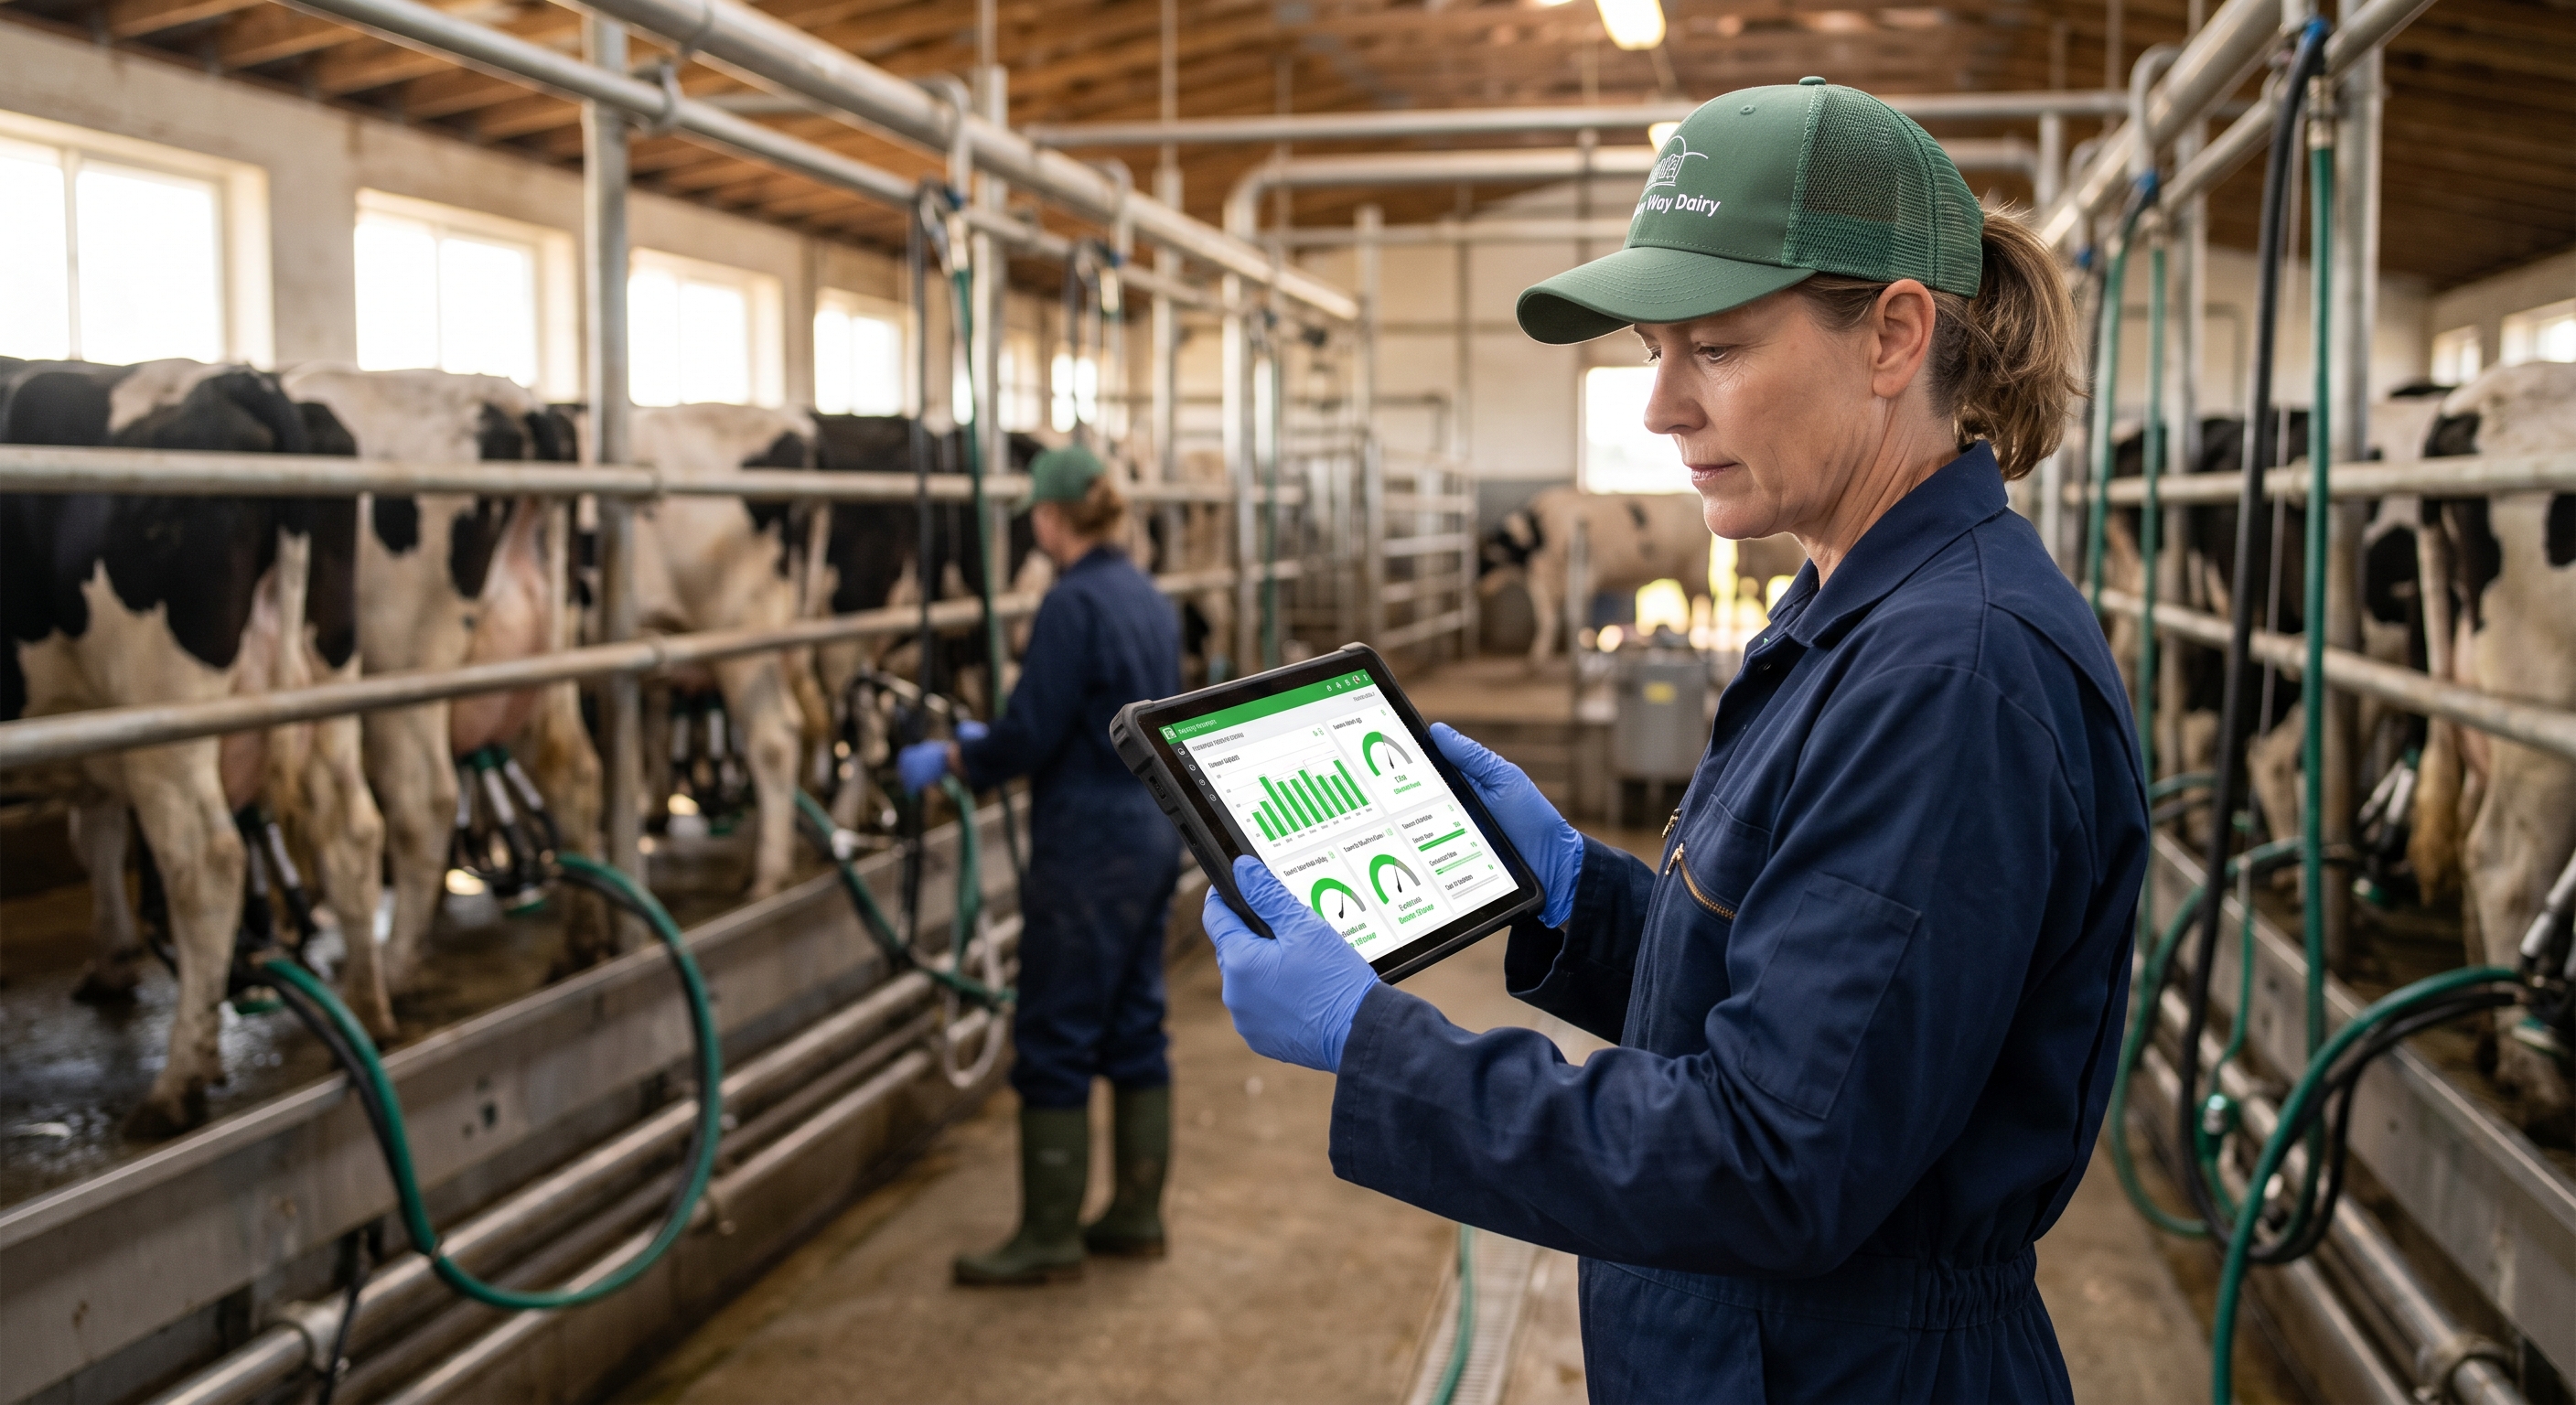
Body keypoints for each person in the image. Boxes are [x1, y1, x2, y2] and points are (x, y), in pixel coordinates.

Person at [1200, 79, 2150, 1402]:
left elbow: (1773, 1158)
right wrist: (1572, 896)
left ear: (1892, 335)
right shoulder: (1852, 605)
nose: (1659, 410)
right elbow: (1810, 1007)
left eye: (1715, 348)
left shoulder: (1953, 675)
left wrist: (1379, 1048)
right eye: (1657, 349)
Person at [896, 443, 1184, 1286]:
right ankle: (1136, 1214)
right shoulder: (1147, 597)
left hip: (1087, 842)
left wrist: (955, 757)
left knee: (1055, 1031)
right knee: (1134, 1022)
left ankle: (1049, 1235)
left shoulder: (1070, 603)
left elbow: (1032, 733)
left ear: (1053, 521)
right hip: (1152, 832)